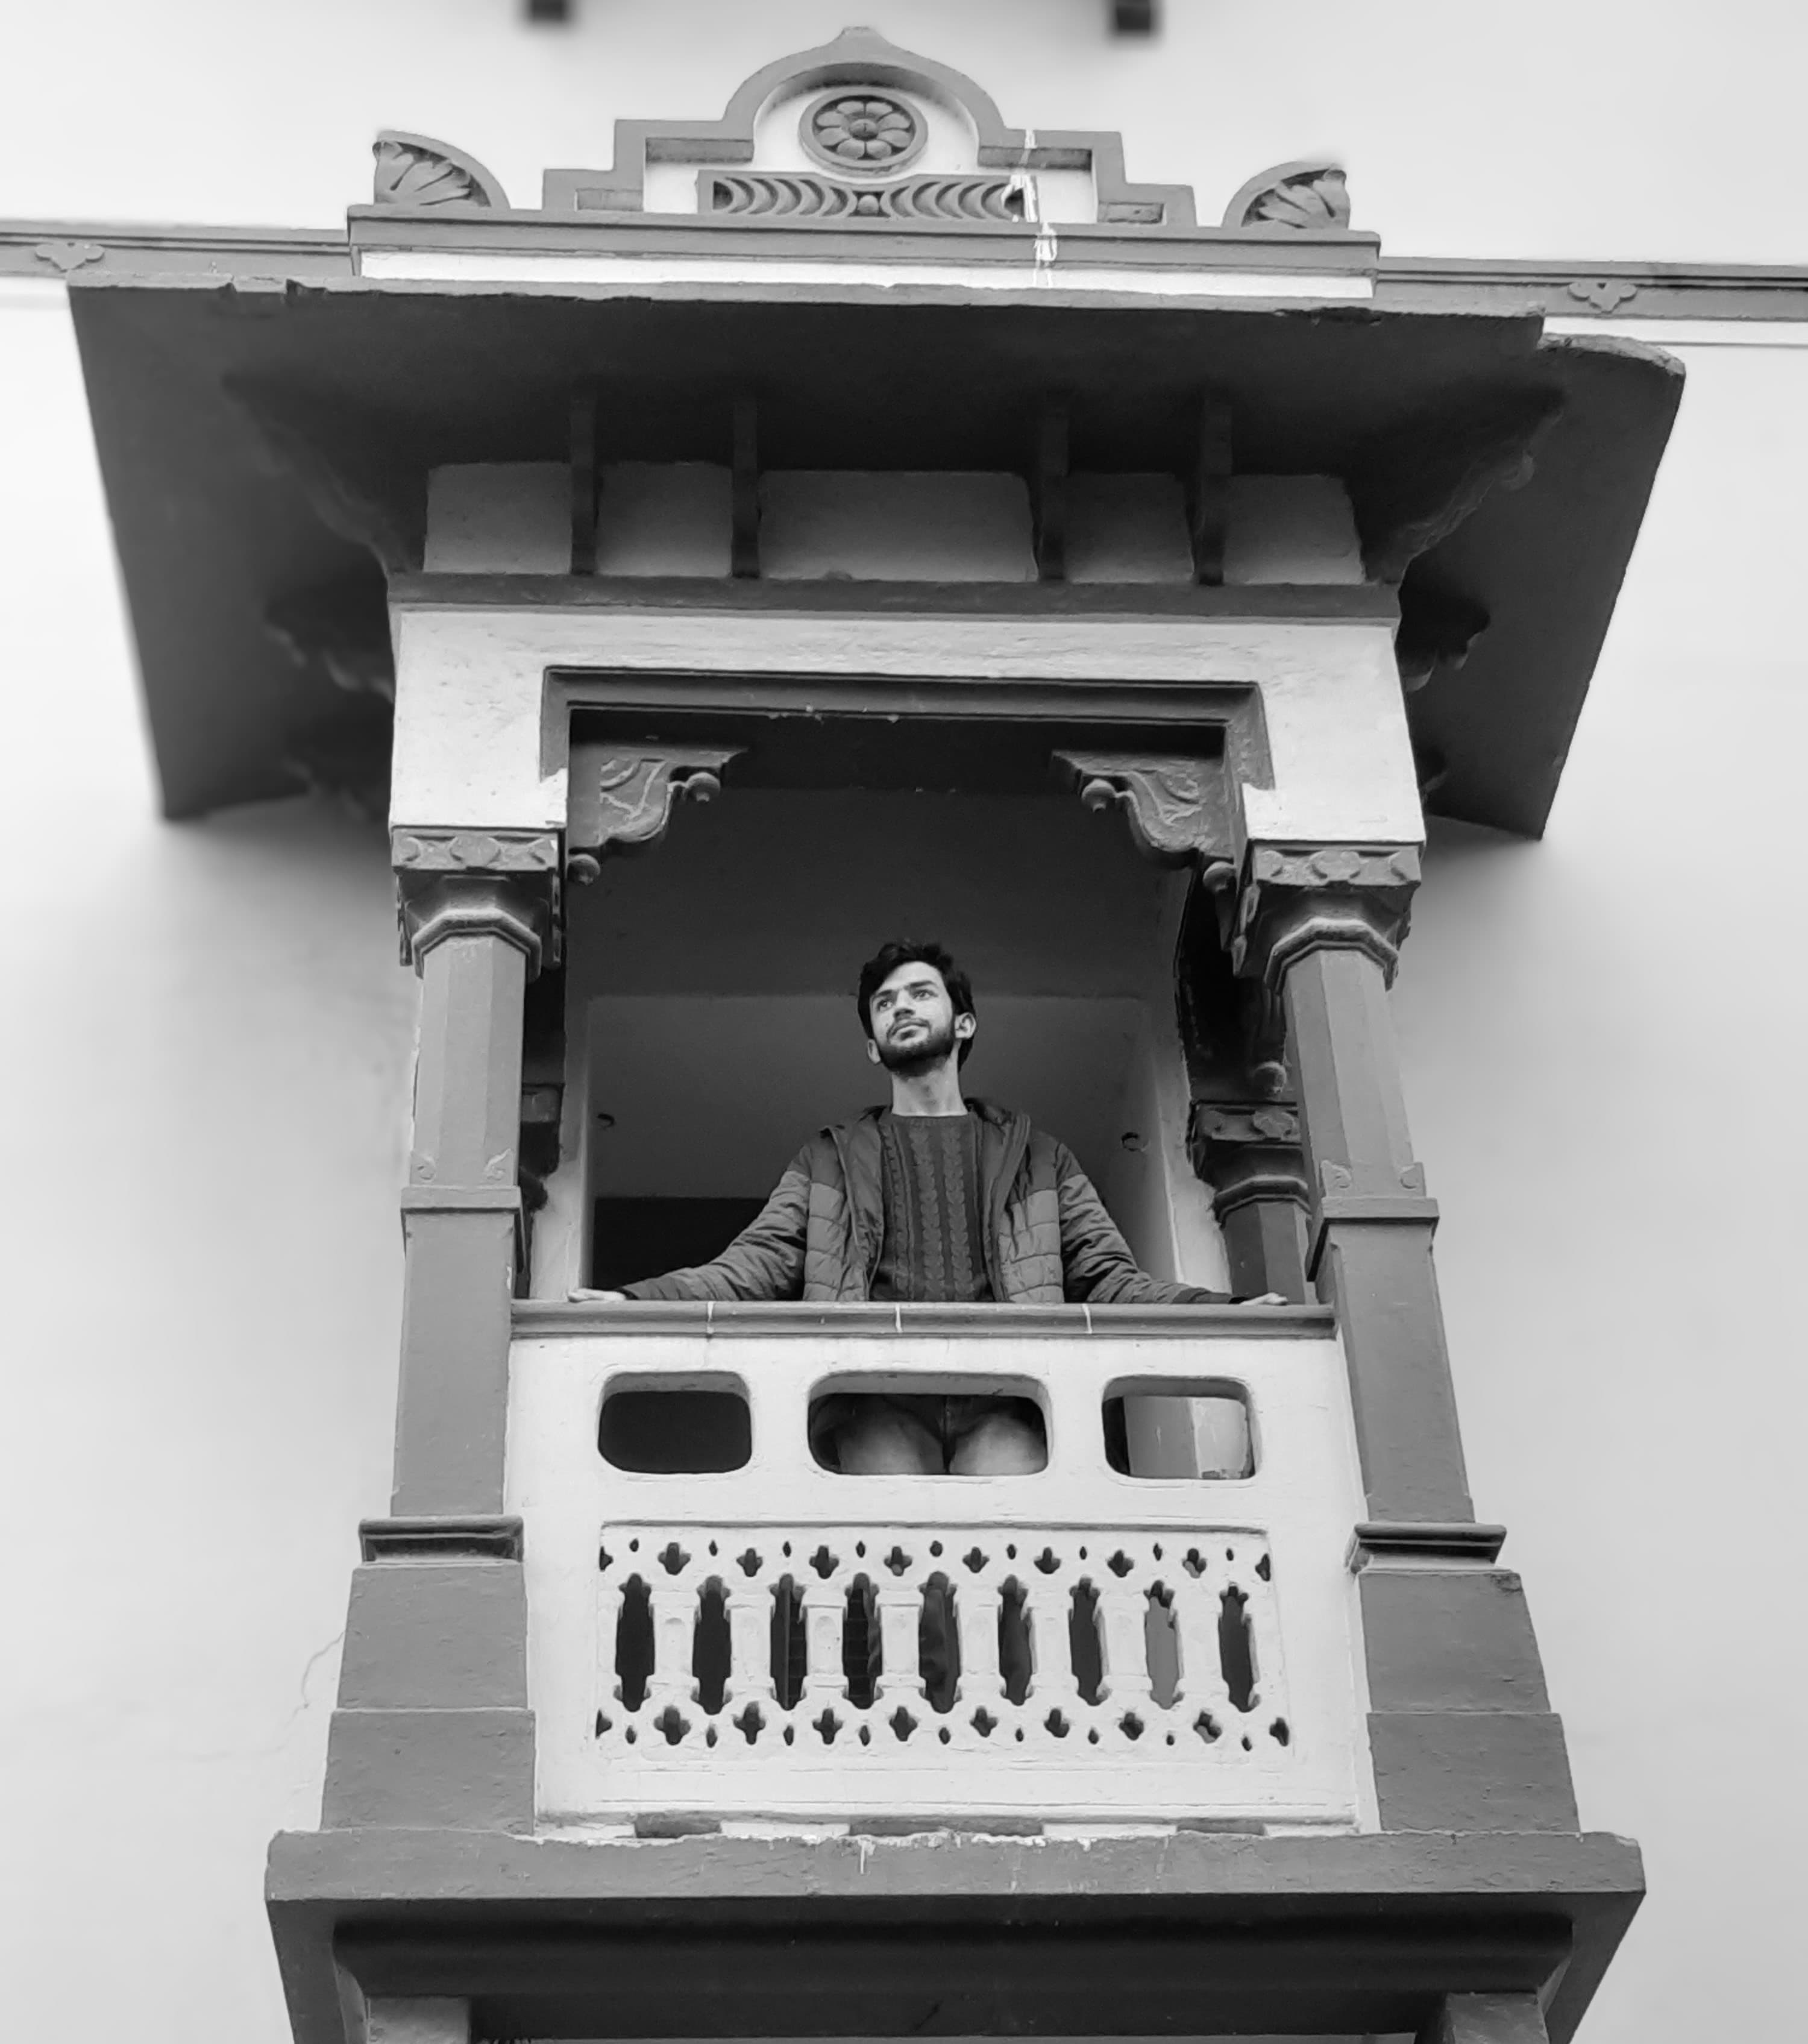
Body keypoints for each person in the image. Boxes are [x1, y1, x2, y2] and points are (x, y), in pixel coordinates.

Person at [579, 940, 1268, 1474]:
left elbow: (1110, 1279)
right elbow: (752, 1267)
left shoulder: (1039, 1158)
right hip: (876, 1399)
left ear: (964, 1022)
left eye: (919, 993)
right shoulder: (830, 1159)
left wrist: (1224, 1311)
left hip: (1008, 1399)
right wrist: (638, 1300)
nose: (901, 1007)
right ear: (871, 1045)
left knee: (1007, 1577)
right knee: (902, 1588)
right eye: (885, 1004)